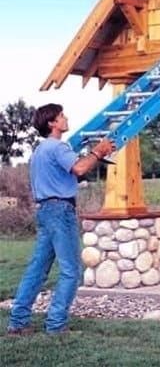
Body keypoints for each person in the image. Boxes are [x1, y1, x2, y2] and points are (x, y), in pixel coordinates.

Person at [7, 103, 115, 335]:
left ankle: (17, 322)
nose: (66, 119)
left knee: (37, 269)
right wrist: (99, 151)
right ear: (52, 123)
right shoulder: (58, 147)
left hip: (45, 211)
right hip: (60, 211)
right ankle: (56, 325)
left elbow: (66, 172)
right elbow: (79, 168)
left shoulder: (39, 150)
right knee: (71, 271)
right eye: (62, 116)